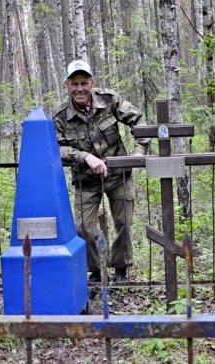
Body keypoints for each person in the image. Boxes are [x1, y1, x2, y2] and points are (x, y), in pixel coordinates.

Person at [52, 60, 150, 283]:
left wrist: (139, 150)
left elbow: (138, 120)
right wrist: (85, 156)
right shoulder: (59, 115)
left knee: (123, 222)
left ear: (92, 82)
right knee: (83, 227)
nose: (79, 89)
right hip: (85, 179)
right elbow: (56, 148)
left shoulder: (109, 100)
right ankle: (96, 269)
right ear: (67, 84)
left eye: (84, 83)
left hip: (118, 175)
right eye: (74, 83)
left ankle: (121, 268)